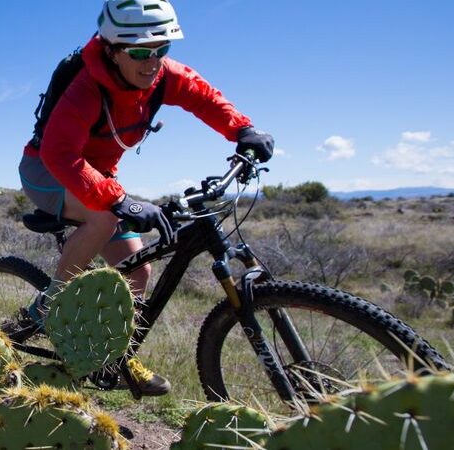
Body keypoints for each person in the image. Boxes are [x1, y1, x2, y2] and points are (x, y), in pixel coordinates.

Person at [14, 0, 275, 392]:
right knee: (103, 218)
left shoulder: (162, 78)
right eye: (139, 51)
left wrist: (243, 130)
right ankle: (49, 306)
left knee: (139, 269)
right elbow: (60, 153)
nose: (152, 62)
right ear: (112, 50)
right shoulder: (86, 86)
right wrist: (118, 200)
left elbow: (203, 97)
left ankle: (114, 359)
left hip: (96, 176)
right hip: (47, 170)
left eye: (161, 49)